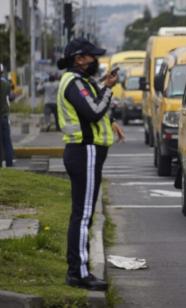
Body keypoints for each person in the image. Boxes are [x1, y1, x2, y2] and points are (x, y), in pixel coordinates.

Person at [56, 38, 125, 291]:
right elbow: (94, 110)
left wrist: (104, 84)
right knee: (84, 215)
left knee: (82, 214)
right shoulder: (74, 83)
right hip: (84, 152)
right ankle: (79, 273)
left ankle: (77, 269)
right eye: (91, 56)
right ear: (79, 59)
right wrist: (108, 90)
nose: (95, 60)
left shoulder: (81, 81)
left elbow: (93, 102)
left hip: (86, 152)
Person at [0, 64, 14, 167]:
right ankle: (9, 163)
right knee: (7, 141)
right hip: (4, 116)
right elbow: (11, 97)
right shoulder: (6, 84)